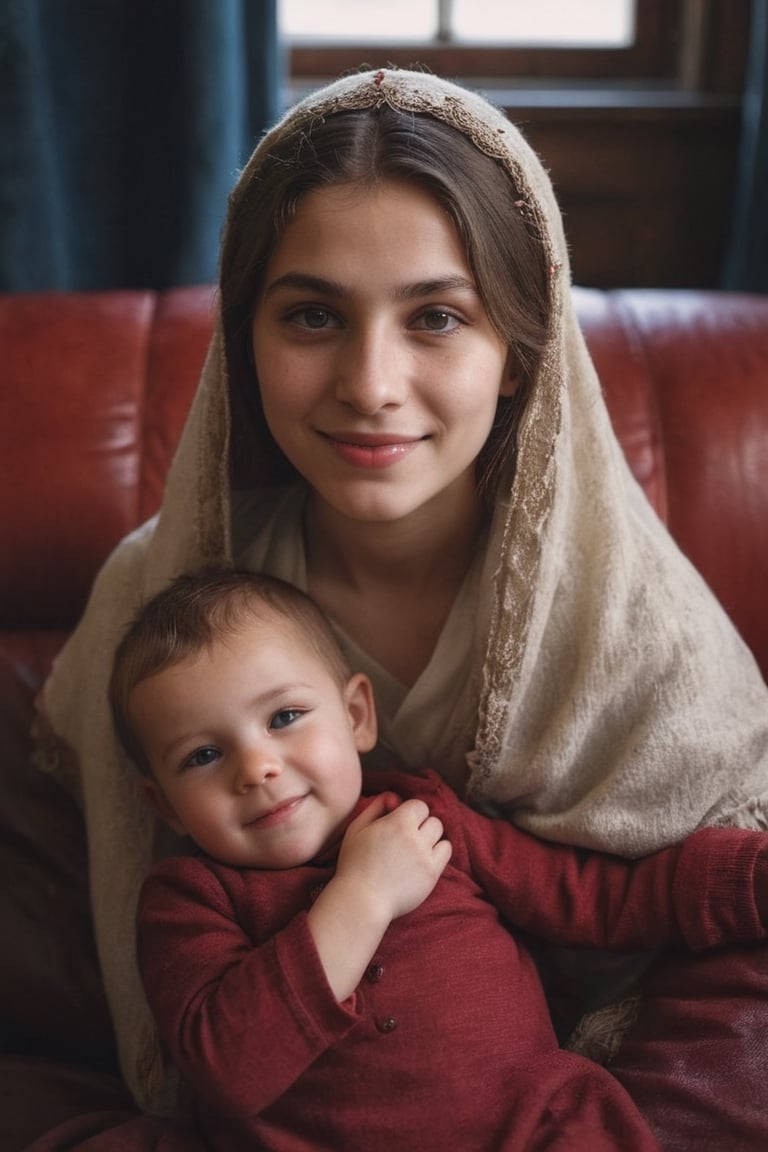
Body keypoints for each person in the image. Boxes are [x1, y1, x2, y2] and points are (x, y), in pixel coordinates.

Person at [36, 68, 768, 1143]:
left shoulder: (633, 623)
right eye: (314, 315)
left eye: (435, 316)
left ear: (519, 355)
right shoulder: (163, 594)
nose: (371, 382)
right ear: (246, 339)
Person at [110, 567, 768, 1152]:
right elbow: (230, 1070)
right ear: (164, 806)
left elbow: (592, 898)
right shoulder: (189, 898)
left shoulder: (421, 813)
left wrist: (747, 882)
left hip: (545, 1131)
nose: (257, 768)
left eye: (284, 716)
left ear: (357, 714)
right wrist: (363, 896)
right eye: (202, 756)